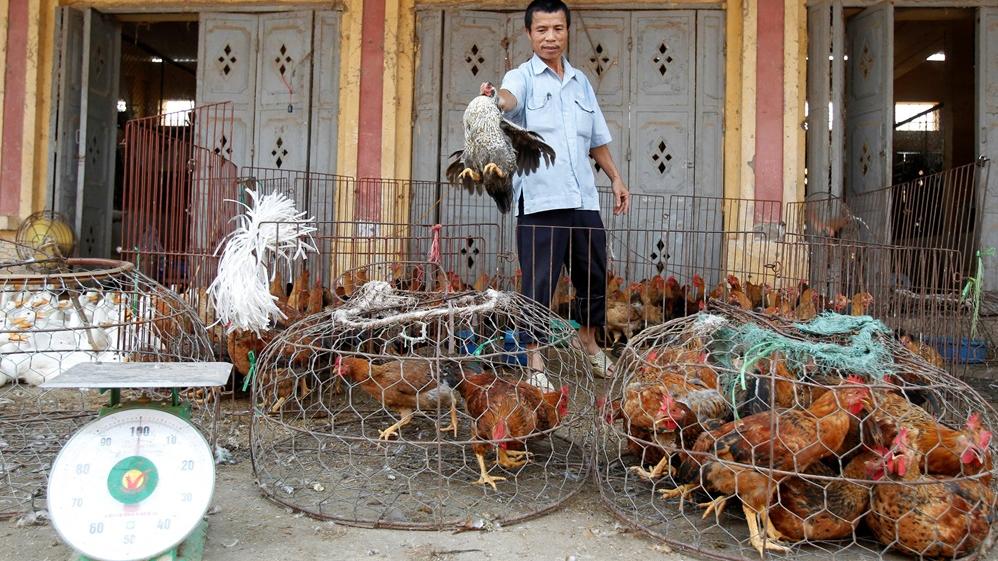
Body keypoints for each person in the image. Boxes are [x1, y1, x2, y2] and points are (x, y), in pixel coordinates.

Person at [487, 0, 630, 380]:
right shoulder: (522, 77)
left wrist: (615, 176)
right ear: (529, 34)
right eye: (542, 30)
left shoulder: (581, 81)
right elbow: (507, 99)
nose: (550, 37)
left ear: (567, 30)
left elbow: (595, 137)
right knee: (539, 283)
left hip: (582, 198)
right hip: (540, 199)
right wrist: (493, 100)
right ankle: (534, 360)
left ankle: (588, 342)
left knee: (593, 276)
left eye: (558, 29)